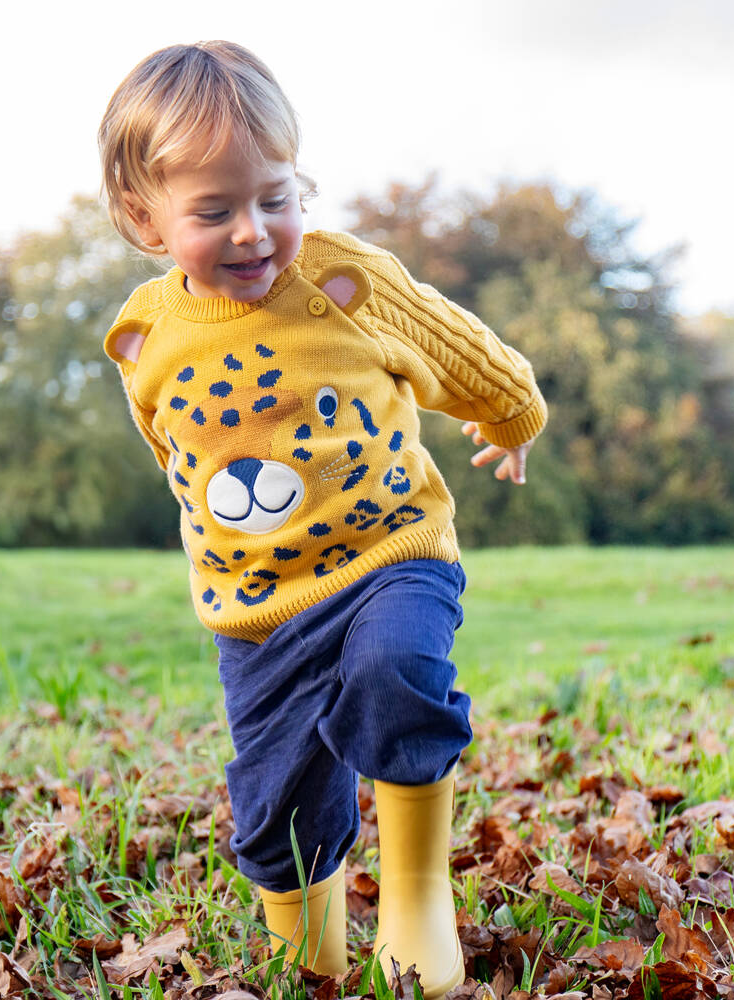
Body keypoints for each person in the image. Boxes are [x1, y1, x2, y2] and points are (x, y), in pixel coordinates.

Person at [97, 40, 546, 997]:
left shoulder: (346, 283)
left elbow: (454, 346)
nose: (254, 231)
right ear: (145, 217)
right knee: (273, 809)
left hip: (392, 551)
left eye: (276, 196)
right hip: (260, 607)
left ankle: (419, 893)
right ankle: (311, 951)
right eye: (214, 211)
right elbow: (179, 453)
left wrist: (510, 414)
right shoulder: (144, 338)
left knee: (397, 672)